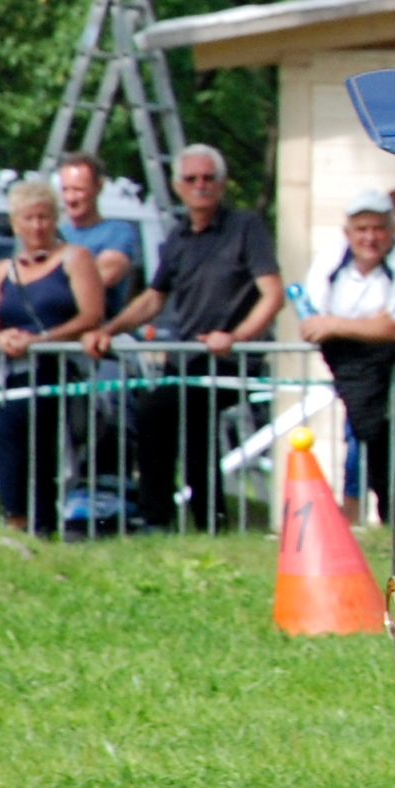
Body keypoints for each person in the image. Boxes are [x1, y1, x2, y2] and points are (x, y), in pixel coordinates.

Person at [99, 144, 283, 531]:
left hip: (231, 362)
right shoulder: (178, 237)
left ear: (222, 184)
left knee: (159, 412)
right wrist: (107, 330)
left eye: (208, 178)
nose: (201, 186)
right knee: (181, 425)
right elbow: (153, 298)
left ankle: (163, 518)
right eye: (192, 179)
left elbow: (272, 294)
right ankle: (203, 522)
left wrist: (235, 337)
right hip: (187, 361)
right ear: (178, 186)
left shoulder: (246, 227)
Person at [0, 178, 108, 531]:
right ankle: (37, 525)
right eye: (28, 218)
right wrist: (2, 338)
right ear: (15, 223)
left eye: (44, 217)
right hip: (8, 373)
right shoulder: (4, 270)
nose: (37, 226)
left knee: (11, 431)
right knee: (10, 438)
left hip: (54, 371)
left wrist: (41, 339)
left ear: (55, 219)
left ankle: (17, 516)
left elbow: (91, 315)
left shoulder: (76, 258)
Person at [305, 191, 395, 506]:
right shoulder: (331, 258)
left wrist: (336, 325)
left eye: (378, 228)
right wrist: (373, 325)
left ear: (392, 230)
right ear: (347, 232)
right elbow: (311, 323)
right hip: (349, 374)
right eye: (362, 229)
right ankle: (366, 516)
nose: (370, 237)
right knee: (360, 442)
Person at [50, 151, 142, 297]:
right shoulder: (53, 234)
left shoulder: (117, 232)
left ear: (99, 187)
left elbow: (105, 277)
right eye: (65, 189)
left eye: (78, 190)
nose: (70, 198)